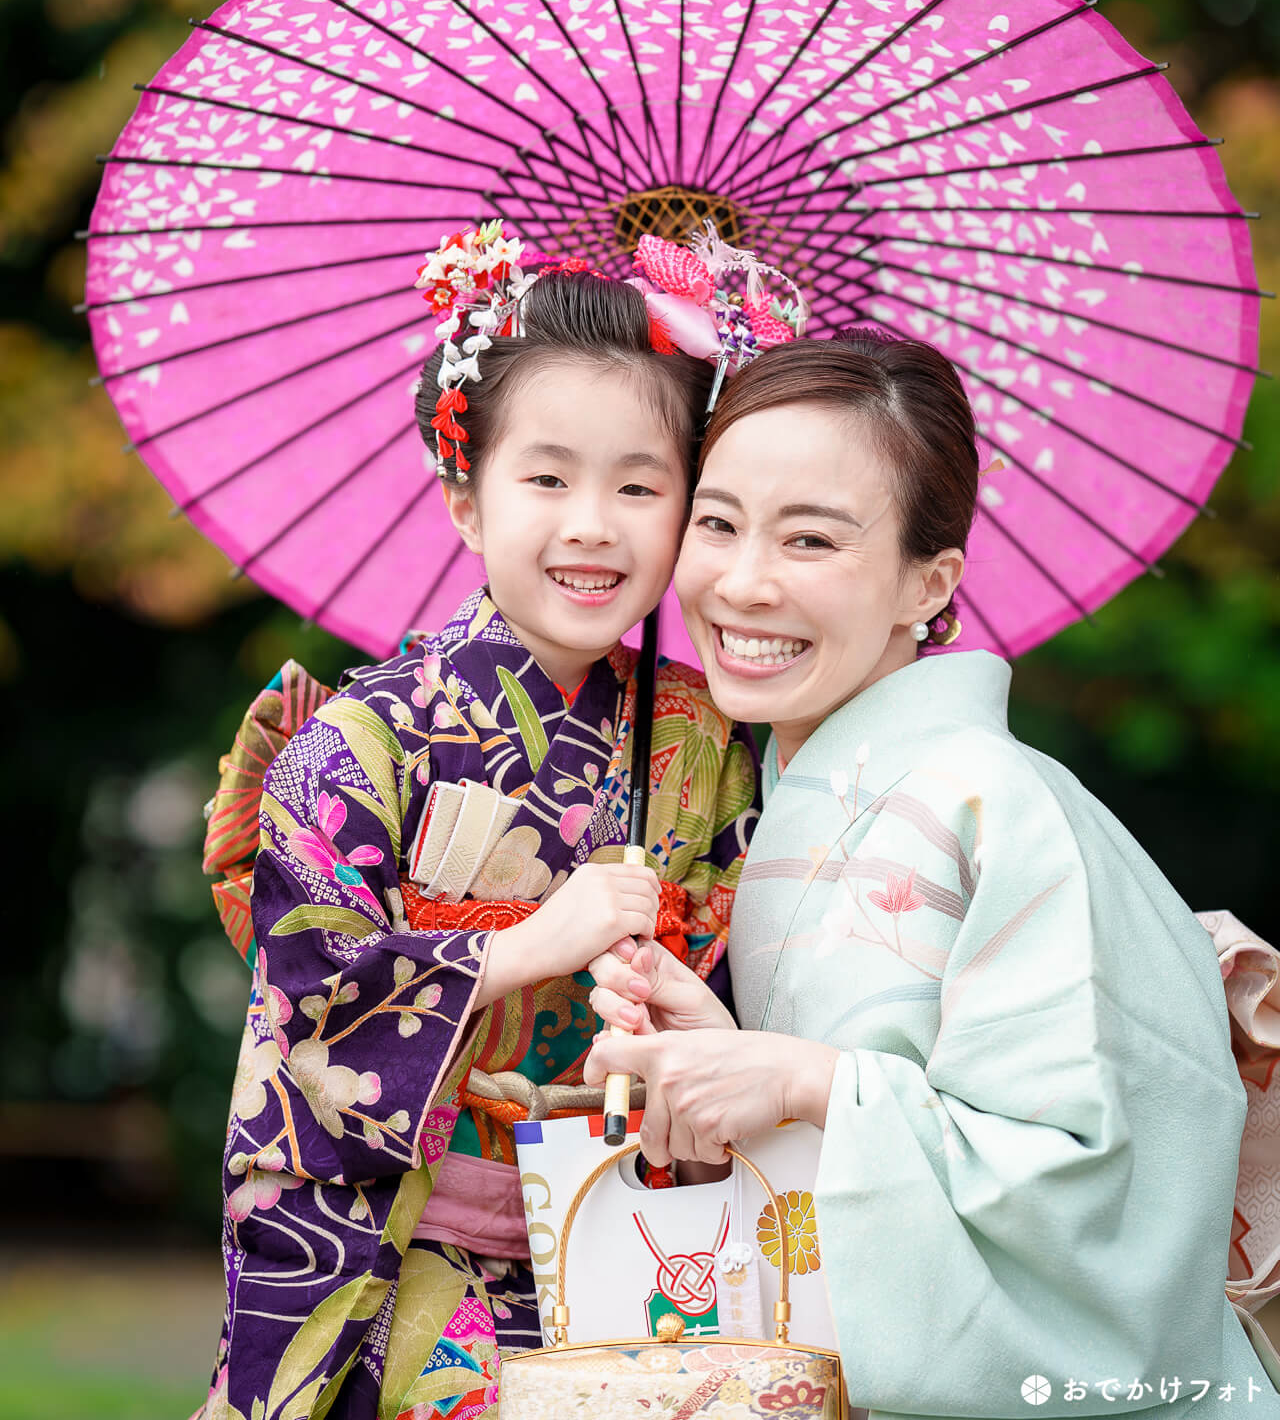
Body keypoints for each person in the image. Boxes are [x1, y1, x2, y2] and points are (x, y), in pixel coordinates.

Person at [587, 332, 1280, 1420]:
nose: (741, 580)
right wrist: (727, 1060)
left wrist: (815, 1084)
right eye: (714, 523)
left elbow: (1086, 1183)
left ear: (930, 579)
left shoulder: (1002, 805)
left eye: (810, 539)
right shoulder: (788, 805)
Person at [197, 227, 761, 1420]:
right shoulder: (361, 737)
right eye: (546, 478)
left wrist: (678, 1001)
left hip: (629, 1218)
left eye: (639, 484)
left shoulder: (703, 743)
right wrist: (517, 950)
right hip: (408, 1242)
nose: (592, 523)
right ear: (466, 499)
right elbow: (307, 985)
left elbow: (745, 957)